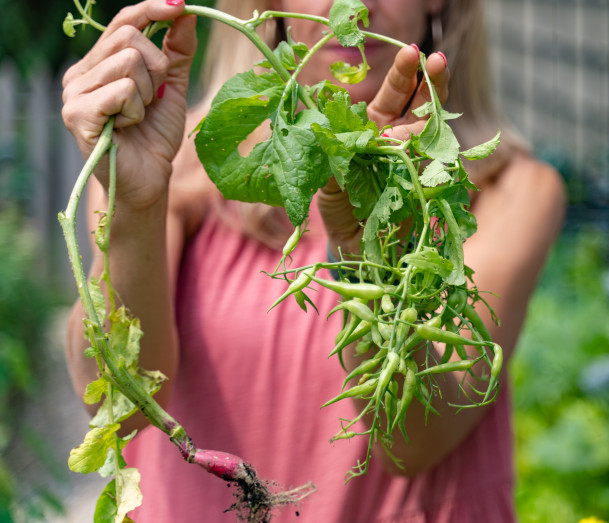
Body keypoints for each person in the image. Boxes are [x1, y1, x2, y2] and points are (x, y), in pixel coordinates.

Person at [61, 0, 566, 520]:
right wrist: (135, 204)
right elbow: (114, 407)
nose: (357, 4)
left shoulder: (505, 192)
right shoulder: (170, 161)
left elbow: (412, 443)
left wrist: (364, 249)